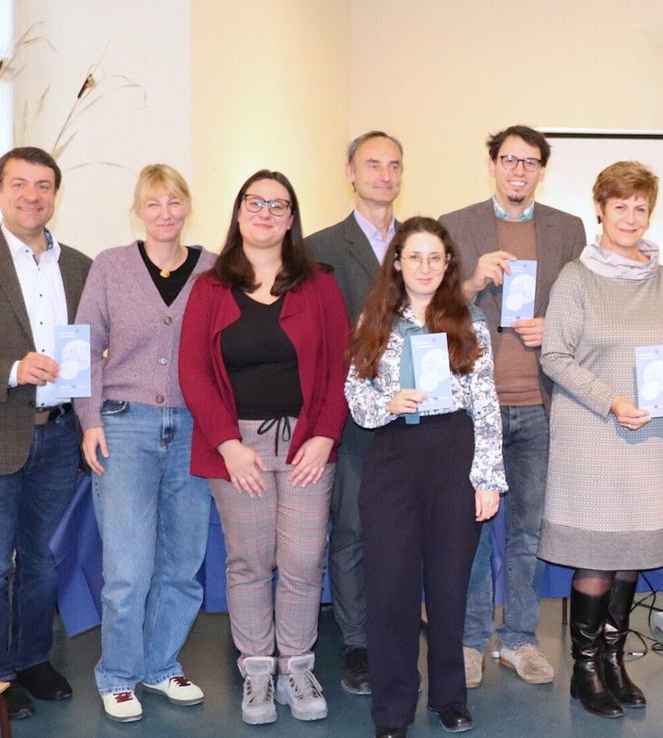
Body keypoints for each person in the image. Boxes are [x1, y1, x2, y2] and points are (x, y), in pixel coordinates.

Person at [178, 170, 350, 726]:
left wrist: (325, 436)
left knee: (302, 560)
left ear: (292, 219)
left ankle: (297, 666)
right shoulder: (209, 287)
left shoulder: (318, 284)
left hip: (306, 443)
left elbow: (341, 365)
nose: (266, 213)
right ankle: (256, 669)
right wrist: (228, 445)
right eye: (256, 202)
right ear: (238, 212)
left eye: (278, 205)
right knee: (249, 561)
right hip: (237, 449)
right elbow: (193, 371)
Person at [0, 146, 92, 719]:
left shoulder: (80, 267)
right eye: (20, 184)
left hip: (57, 438)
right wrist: (11, 369)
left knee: (42, 560)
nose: (32, 195)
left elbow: (90, 345)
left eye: (44, 185)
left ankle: (32, 660)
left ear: (55, 194)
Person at [346, 216, 506, 738]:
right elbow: (356, 394)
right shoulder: (375, 318)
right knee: (390, 589)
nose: (425, 267)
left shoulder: (469, 320)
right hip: (393, 457)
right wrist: (387, 403)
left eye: (435, 258)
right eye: (414, 257)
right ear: (397, 262)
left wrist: (488, 478)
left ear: (448, 264)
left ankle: (449, 697)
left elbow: (486, 402)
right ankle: (393, 708)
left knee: (449, 586)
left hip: (454, 456)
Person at [538, 160, 663, 719]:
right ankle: (584, 671)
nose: (630, 216)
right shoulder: (576, 278)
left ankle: (614, 660)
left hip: (650, 439)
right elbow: (555, 356)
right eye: (619, 205)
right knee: (597, 556)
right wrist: (611, 400)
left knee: (631, 554)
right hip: (592, 434)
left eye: (640, 207)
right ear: (599, 210)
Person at [441, 124, 586, 688]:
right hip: (475, 408)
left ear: (541, 170)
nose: (518, 170)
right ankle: (470, 640)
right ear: (493, 164)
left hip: (540, 404)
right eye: (509, 159)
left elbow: (584, 311)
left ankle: (521, 639)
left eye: (529, 162)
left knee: (528, 533)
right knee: (471, 531)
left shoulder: (568, 230)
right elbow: (429, 308)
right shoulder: (457, 226)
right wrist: (471, 282)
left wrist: (556, 328)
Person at [74, 164, 216, 721]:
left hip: (193, 429)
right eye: (153, 203)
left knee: (182, 562)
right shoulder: (110, 266)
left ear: (188, 207)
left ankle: (160, 665)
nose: (165, 213)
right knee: (128, 567)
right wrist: (89, 419)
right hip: (123, 425)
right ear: (138, 210)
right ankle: (118, 674)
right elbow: (85, 345)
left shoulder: (212, 269)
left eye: (174, 202)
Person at [305, 130, 405, 695]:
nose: (384, 175)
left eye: (393, 165)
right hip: (350, 411)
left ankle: (394, 624)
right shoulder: (319, 248)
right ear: (350, 173)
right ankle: (358, 643)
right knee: (351, 530)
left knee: (404, 528)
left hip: (415, 412)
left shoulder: (418, 242)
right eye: (372, 165)